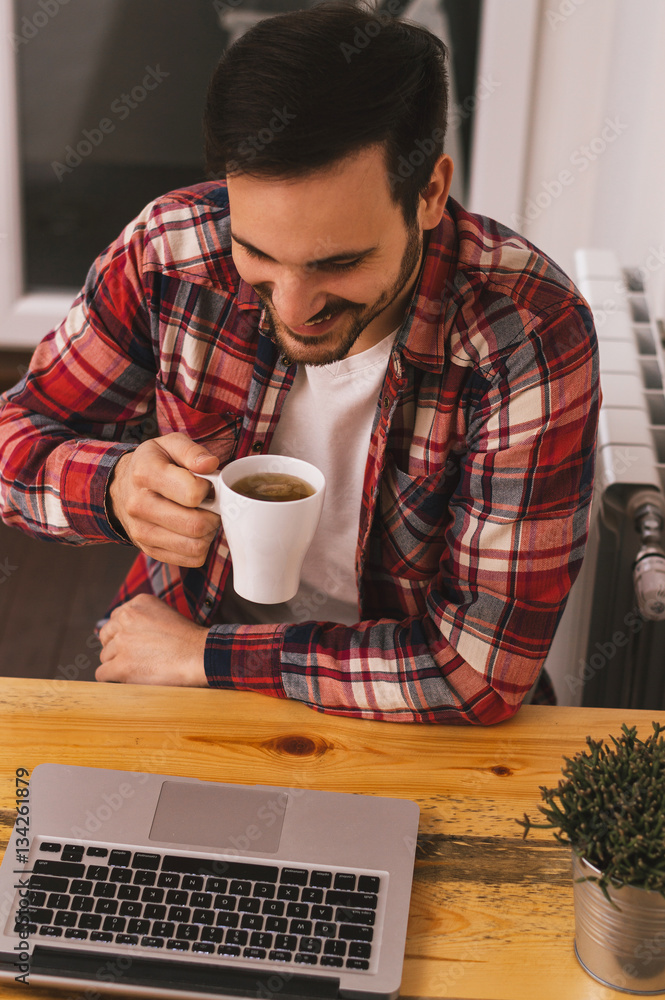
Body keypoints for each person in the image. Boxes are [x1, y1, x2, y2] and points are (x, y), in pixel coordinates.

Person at [0, 0, 599, 723]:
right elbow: (15, 442)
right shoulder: (169, 253)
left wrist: (204, 658)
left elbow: (478, 674)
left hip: (406, 719)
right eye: (257, 253)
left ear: (430, 193)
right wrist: (114, 488)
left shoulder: (528, 333)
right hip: (170, 661)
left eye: (337, 263)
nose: (291, 306)